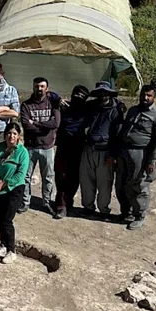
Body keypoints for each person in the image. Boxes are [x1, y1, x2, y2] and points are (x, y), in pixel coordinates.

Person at [115, 85, 156, 230]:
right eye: (143, 95)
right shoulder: (133, 110)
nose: (145, 98)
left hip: (141, 154)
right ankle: (126, 212)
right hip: (125, 152)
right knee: (121, 184)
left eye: (149, 96)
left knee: (139, 185)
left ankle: (139, 215)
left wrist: (152, 160)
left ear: (154, 97)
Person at [79, 81, 124, 219]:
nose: (102, 96)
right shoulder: (91, 106)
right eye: (100, 93)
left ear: (110, 94)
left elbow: (118, 136)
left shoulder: (116, 111)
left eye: (105, 93)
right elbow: (77, 103)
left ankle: (104, 210)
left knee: (104, 184)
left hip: (106, 151)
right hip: (89, 148)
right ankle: (88, 208)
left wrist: (113, 155)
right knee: (86, 181)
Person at [0, 123, 29, 264]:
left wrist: (3, 184)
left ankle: (12, 250)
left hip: (13, 188)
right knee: (0, 216)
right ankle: (3, 245)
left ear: (18, 136)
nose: (11, 136)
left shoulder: (22, 152)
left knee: (7, 219)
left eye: (15, 134)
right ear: (5, 135)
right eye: (9, 133)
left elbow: (20, 175)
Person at [19, 77, 60, 215]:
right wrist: (44, 127)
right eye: (37, 86)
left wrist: (36, 123)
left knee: (48, 177)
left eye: (42, 86)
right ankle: (25, 202)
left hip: (48, 147)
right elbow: (26, 126)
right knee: (25, 176)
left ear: (47, 88)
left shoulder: (53, 104)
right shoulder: (26, 105)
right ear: (33, 87)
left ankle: (46, 202)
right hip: (30, 147)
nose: (39, 89)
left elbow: (55, 124)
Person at [52, 85, 91, 219]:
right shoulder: (65, 107)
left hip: (78, 146)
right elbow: (49, 94)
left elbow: (105, 101)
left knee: (74, 177)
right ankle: (62, 203)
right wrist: (58, 98)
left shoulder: (87, 109)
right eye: (76, 95)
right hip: (63, 146)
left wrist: (119, 104)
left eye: (81, 96)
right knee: (60, 175)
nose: (78, 98)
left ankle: (66, 203)